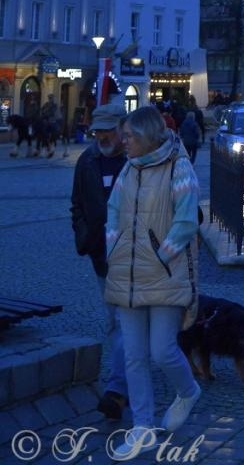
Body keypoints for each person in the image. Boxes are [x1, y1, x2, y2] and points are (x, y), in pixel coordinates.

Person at [104, 105, 200, 454]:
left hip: (163, 274)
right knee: (133, 355)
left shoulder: (178, 165)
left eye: (128, 135)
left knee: (162, 350)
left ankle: (188, 391)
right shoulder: (129, 168)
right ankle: (142, 426)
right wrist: (112, 246)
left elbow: (187, 221)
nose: (122, 141)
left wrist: (160, 256)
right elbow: (113, 211)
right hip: (126, 274)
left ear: (145, 135)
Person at [70, 99, 129, 421]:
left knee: (124, 322)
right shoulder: (87, 160)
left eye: (108, 131)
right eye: (97, 131)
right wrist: (84, 238)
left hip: (135, 256)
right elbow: (77, 203)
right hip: (103, 257)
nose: (102, 137)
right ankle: (125, 383)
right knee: (115, 322)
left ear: (123, 129)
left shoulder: (136, 159)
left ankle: (118, 389)